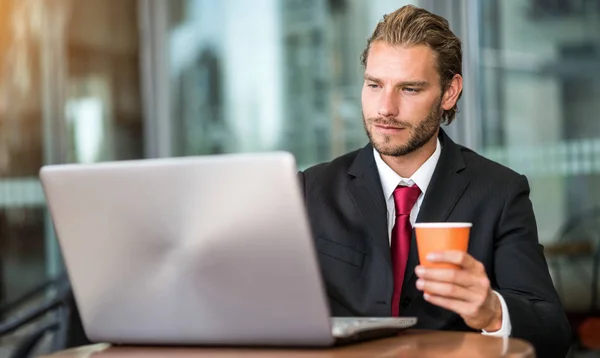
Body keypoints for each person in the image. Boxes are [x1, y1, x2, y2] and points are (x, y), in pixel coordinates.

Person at [298, 5, 571, 357]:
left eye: (409, 89)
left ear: (449, 92)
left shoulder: (500, 192)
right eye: (374, 85)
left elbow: (553, 333)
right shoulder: (312, 190)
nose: (385, 108)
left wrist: (491, 311)